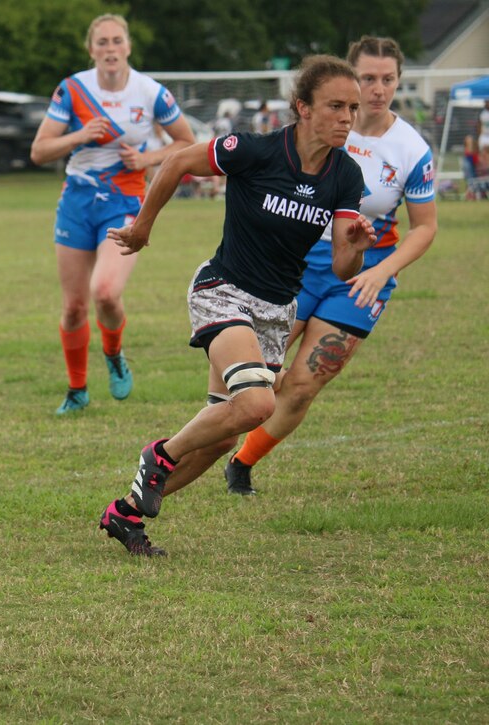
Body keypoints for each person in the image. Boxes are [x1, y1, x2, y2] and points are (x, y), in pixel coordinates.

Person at [96, 55, 376, 556]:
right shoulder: (256, 150)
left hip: (276, 312)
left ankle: (126, 513)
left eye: (353, 108)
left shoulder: (346, 176)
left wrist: (355, 245)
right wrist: (141, 228)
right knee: (257, 404)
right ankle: (158, 455)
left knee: (223, 435)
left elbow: (341, 269)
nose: (347, 118)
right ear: (302, 108)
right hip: (222, 290)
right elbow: (179, 160)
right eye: (335, 106)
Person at [223, 36, 438, 494]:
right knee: (259, 370)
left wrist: (383, 270)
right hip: (294, 261)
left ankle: (241, 464)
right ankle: (203, 441)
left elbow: (424, 227)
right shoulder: (325, 124)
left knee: (303, 383)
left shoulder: (412, 150)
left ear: (399, 81)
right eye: (367, 79)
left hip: (362, 273)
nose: (377, 90)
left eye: (388, 79)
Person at [30, 13, 195, 415]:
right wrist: (79, 135)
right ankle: (77, 390)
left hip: (124, 202)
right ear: (91, 50)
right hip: (77, 201)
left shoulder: (150, 92)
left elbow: (187, 143)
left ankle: (115, 354)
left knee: (105, 292)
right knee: (73, 306)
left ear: (128, 47)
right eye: (101, 42)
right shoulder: (72, 90)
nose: (109, 49)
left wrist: (146, 158)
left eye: (116, 41)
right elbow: (39, 151)